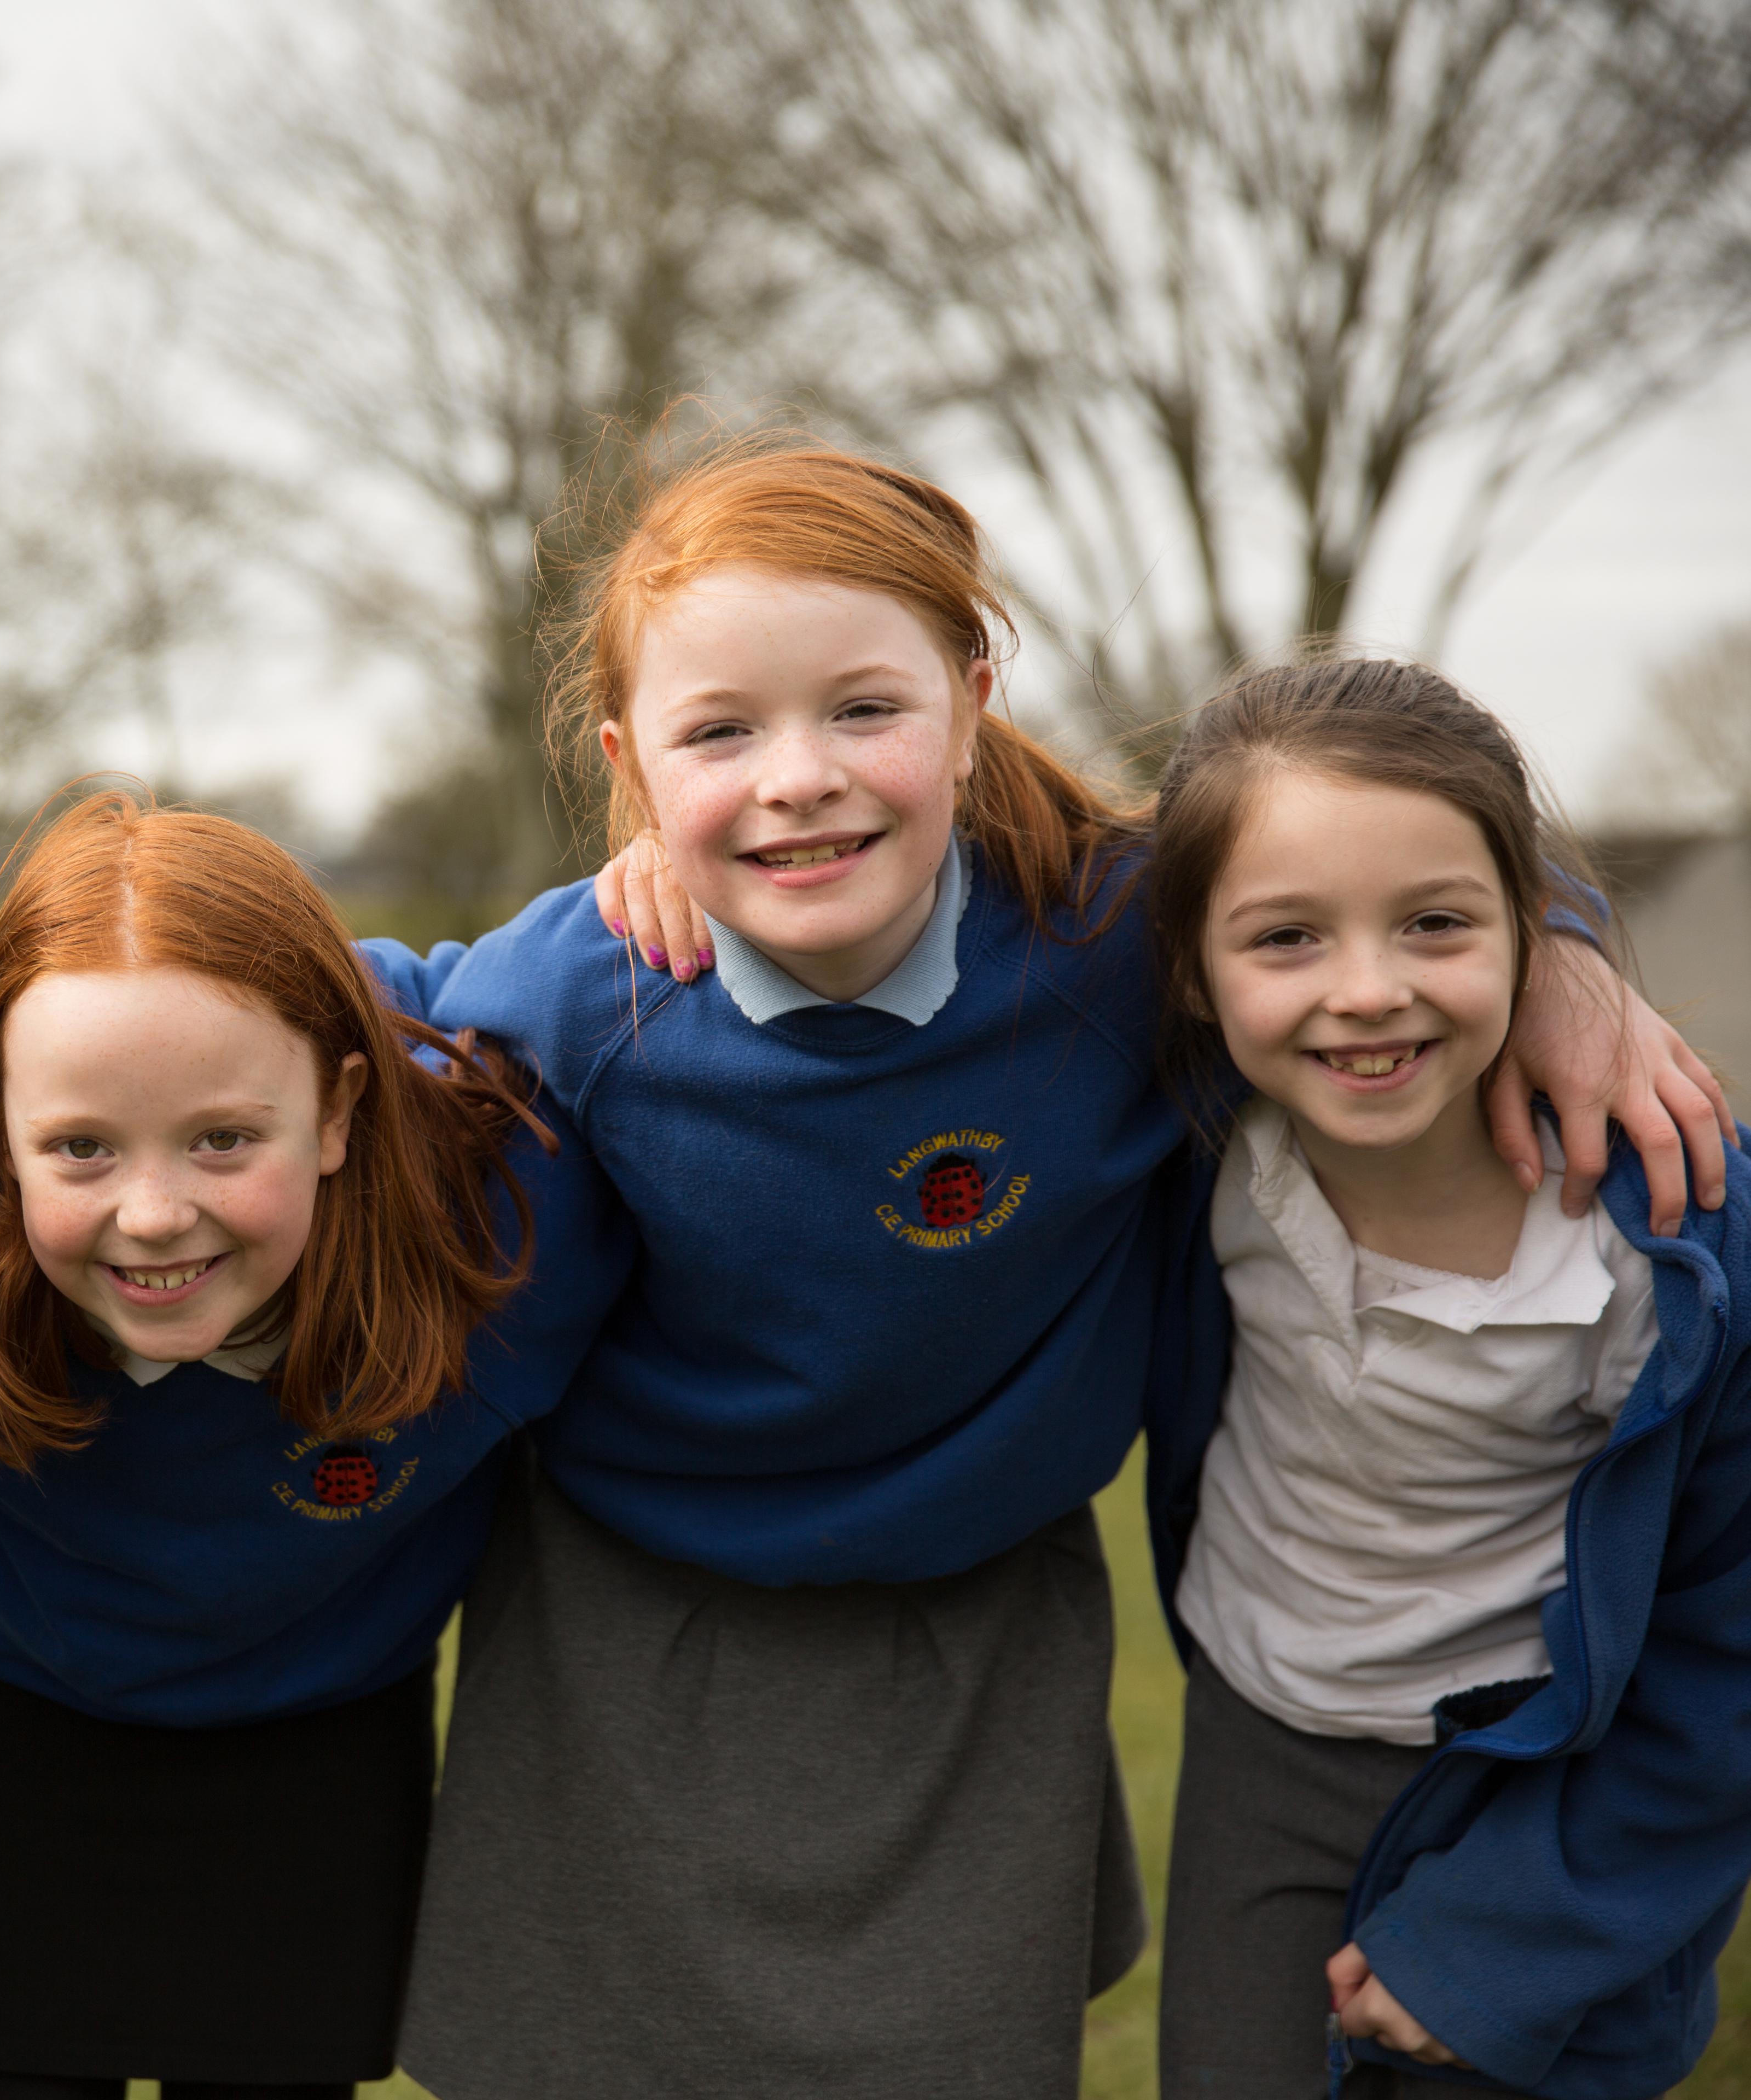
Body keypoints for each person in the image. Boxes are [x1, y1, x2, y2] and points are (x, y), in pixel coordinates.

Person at [385, 436, 1732, 2099]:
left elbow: (1367, 867)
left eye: (863, 709)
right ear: (630, 762)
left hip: (975, 1642)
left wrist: (1569, 960)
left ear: (972, 696)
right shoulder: (582, 987)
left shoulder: (1117, 936)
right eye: (720, 734)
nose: (799, 775)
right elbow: (306, 1010)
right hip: (629, 1629)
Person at [0, 792, 629, 2100]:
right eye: (81, 1146)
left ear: (340, 1109)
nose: (154, 1216)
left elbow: (655, 1012)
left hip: (317, 1727)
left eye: (224, 1139)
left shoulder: (512, 1223)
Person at [1141, 658, 1751, 2098]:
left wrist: (1505, 1945)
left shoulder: (1677, 1244)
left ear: (1524, 937)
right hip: (1259, 1748)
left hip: (1550, 1789)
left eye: (1435, 925)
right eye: (1287, 937)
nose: (1368, 991)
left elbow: (1732, 1653)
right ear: (1189, 968)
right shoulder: (1191, 1143)